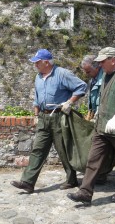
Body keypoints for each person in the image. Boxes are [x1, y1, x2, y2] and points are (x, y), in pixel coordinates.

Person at [10, 49, 87, 193]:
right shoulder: (38, 77)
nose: (35, 65)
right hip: (43, 118)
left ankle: (71, 179)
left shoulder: (62, 73)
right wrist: (35, 114)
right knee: (38, 149)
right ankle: (27, 182)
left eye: (37, 62)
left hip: (59, 116)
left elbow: (81, 86)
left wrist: (70, 102)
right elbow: (37, 98)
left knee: (63, 149)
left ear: (46, 62)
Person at [67, 47, 115, 204]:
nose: (100, 65)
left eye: (102, 61)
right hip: (102, 127)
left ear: (113, 60)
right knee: (93, 159)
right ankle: (85, 192)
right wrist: (99, 112)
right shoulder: (105, 75)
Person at [81, 54, 103, 120]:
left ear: (96, 68)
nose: (86, 74)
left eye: (88, 72)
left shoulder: (105, 80)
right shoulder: (92, 80)